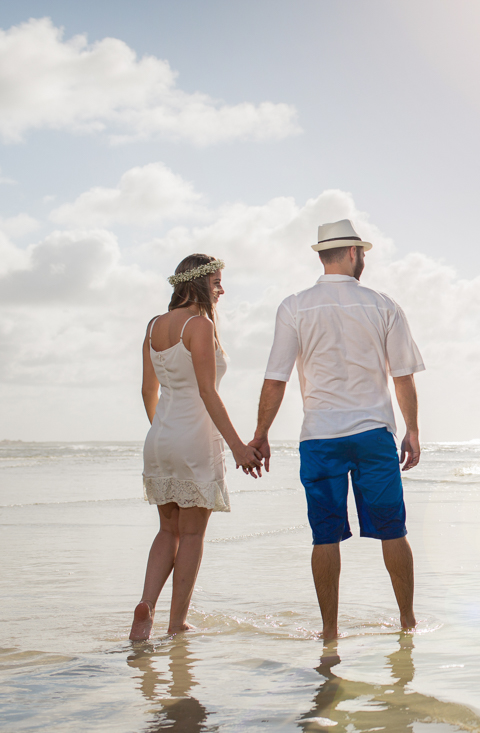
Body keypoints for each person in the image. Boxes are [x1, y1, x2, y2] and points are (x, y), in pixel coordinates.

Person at [247, 219, 424, 640]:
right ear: (352, 254)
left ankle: (330, 632)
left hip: (320, 437)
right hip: (373, 434)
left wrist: (261, 433)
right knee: (393, 530)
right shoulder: (383, 305)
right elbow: (402, 377)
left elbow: (276, 379)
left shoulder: (294, 306)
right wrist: (413, 430)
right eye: (361, 252)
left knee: (324, 536)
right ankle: (407, 622)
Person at [130, 254, 262, 641]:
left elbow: (146, 390)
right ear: (201, 282)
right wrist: (238, 446)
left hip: (160, 437)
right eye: (217, 281)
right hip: (195, 438)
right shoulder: (199, 325)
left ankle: (146, 606)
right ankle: (175, 624)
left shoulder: (154, 326)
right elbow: (207, 392)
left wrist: (164, 431)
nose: (222, 289)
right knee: (191, 535)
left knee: (166, 529)